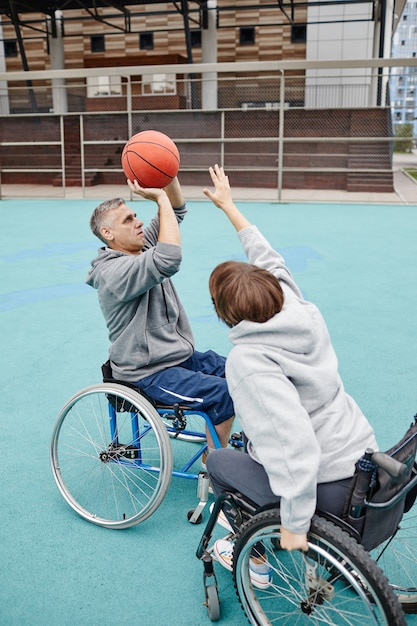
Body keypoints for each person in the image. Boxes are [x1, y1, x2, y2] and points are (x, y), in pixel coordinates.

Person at [202, 164, 379, 585]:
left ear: (224, 314)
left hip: (325, 484)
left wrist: (297, 525)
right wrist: (230, 207)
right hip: (362, 459)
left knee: (222, 462)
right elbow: (269, 260)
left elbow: (294, 445)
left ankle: (255, 562)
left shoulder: (249, 361)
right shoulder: (300, 310)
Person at [86, 176, 234, 451]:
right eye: (128, 220)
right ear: (108, 234)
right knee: (223, 393)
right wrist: (161, 199)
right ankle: (216, 469)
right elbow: (169, 258)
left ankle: (236, 444)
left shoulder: (140, 249)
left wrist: (170, 175)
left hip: (177, 358)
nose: (138, 222)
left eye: (135, 215)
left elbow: (176, 209)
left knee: (244, 371)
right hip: (147, 373)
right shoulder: (114, 273)